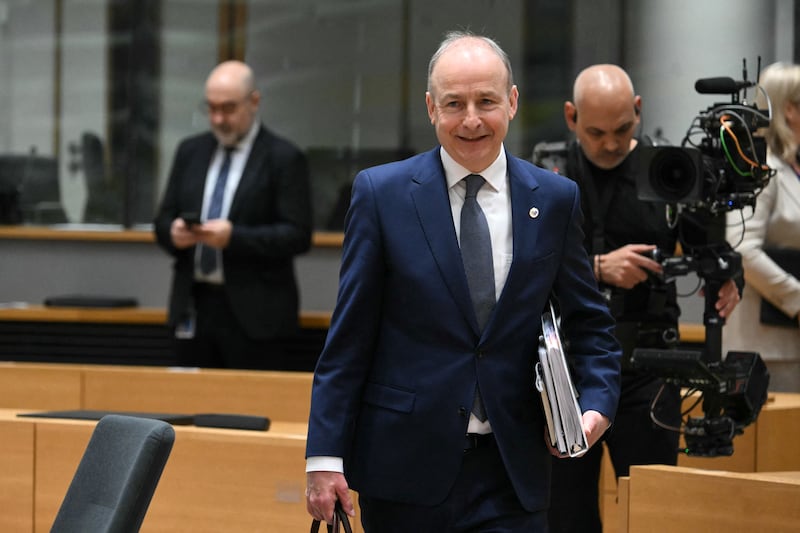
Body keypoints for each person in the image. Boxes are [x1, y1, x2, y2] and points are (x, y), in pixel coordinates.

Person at [305, 31, 622, 532]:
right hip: (404, 470)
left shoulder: (556, 200)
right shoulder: (381, 195)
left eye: (486, 101)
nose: (471, 119)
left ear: (512, 102)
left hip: (513, 471)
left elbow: (591, 326)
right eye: (454, 103)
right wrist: (324, 458)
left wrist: (596, 404)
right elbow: (348, 341)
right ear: (432, 108)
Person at [543, 64, 742, 532]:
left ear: (638, 112)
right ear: (571, 117)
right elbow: (520, 268)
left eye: (622, 129)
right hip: (567, 371)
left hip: (651, 367)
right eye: (595, 132)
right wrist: (597, 268)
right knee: (565, 516)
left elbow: (712, 252)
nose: (610, 144)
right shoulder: (548, 175)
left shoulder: (669, 170)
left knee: (655, 512)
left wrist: (731, 279)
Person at [153, 60, 312, 370]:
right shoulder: (190, 151)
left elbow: (297, 235)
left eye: (228, 108)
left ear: (254, 101)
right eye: (211, 108)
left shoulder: (283, 158)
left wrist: (233, 237)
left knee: (249, 412)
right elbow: (162, 220)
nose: (218, 118)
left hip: (257, 317)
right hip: (194, 306)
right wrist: (172, 233)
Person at [724, 62, 800, 392]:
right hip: (766, 347)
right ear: (789, 110)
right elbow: (740, 247)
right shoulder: (760, 168)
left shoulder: (791, 167)